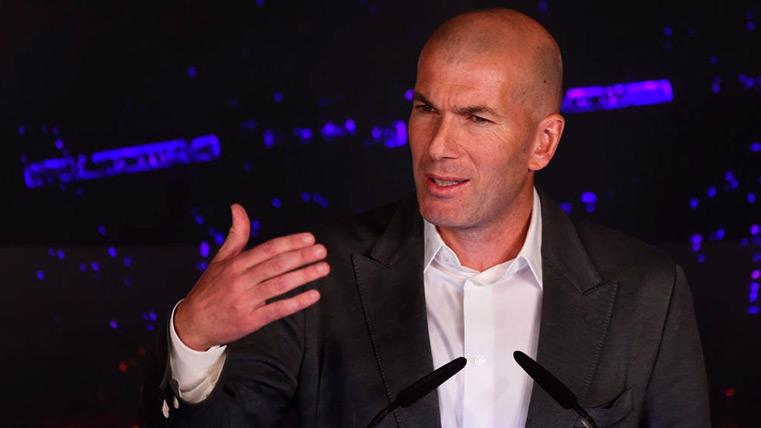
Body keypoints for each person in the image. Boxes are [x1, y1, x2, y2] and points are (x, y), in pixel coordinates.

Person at [141, 8, 710, 427]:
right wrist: (195, 338)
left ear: (543, 142)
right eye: (425, 109)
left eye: (476, 118)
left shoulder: (647, 292)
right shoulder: (316, 275)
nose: (438, 147)